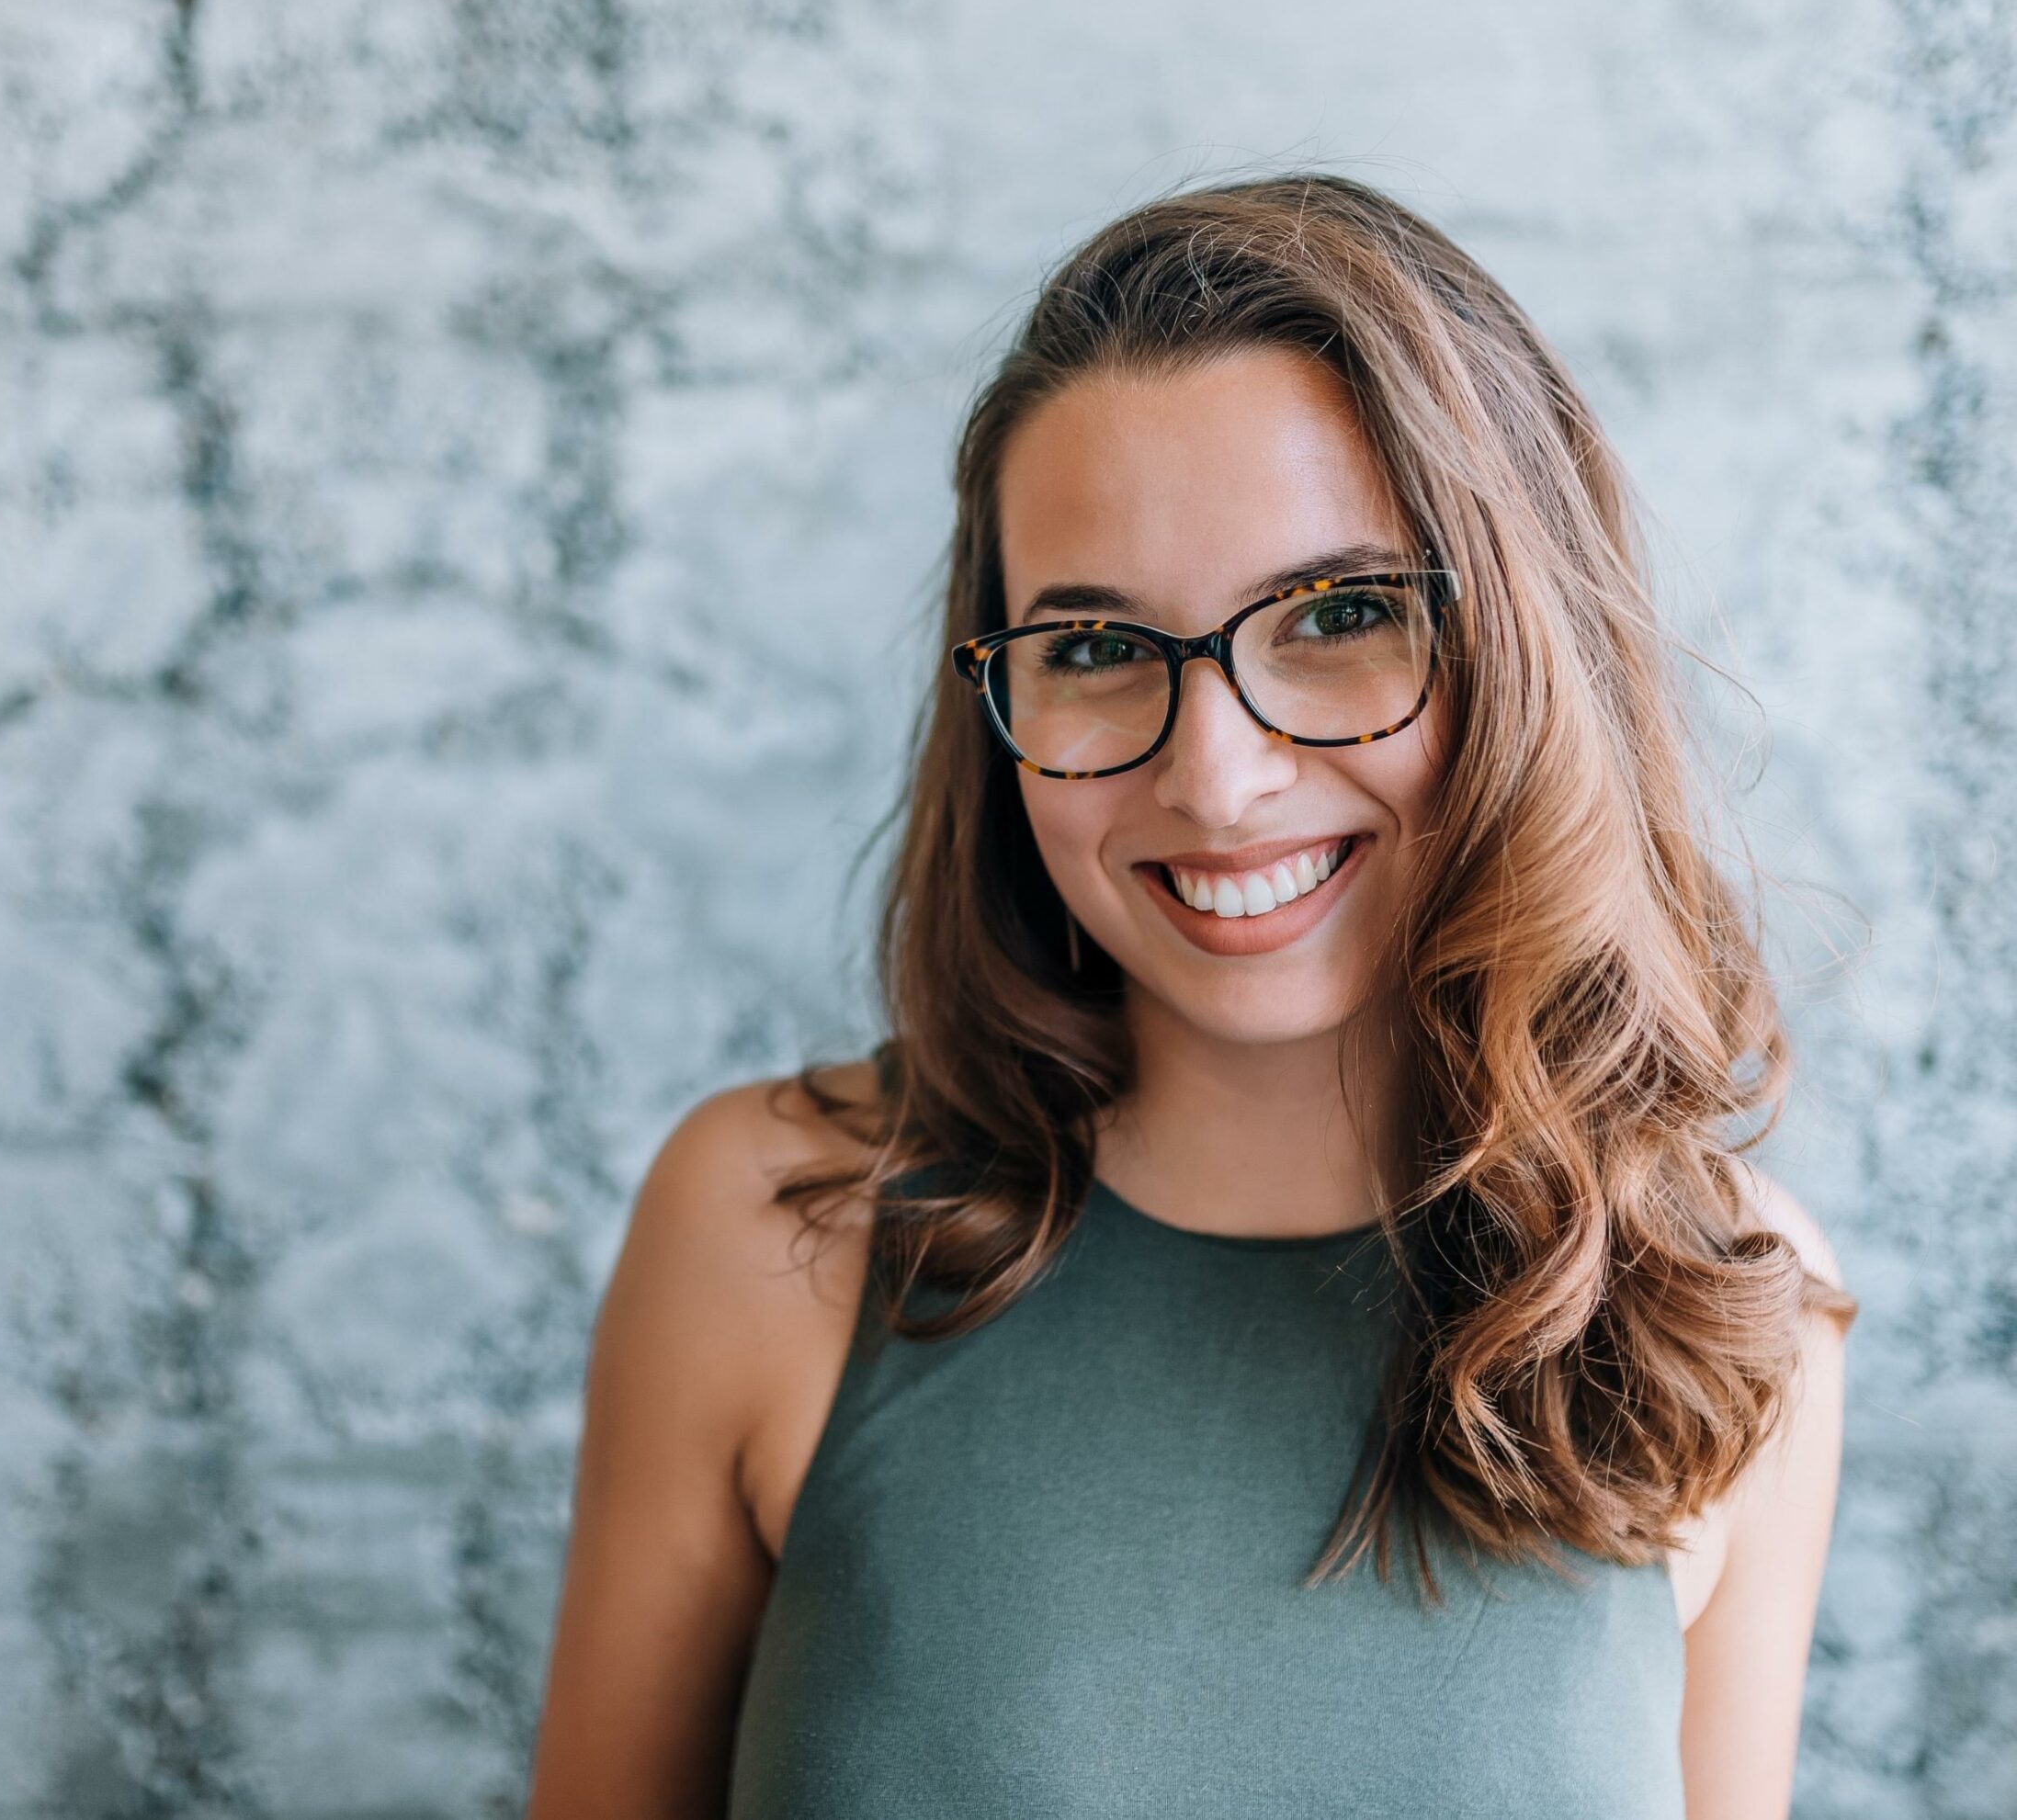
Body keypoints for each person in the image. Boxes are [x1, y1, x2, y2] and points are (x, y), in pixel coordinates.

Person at [524, 173, 1856, 1820]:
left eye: (1344, 615)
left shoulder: (1728, 1305)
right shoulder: (765, 1223)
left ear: (1525, 645)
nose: (1217, 782)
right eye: (1092, 645)